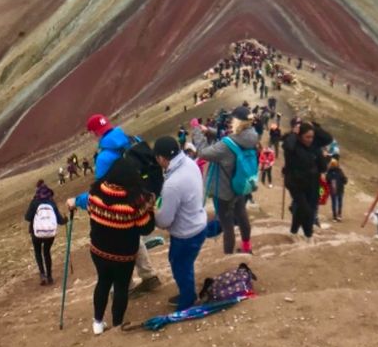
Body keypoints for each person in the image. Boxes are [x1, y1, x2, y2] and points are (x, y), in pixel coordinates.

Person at [67, 158, 156, 333]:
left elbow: (90, 209)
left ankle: (97, 323)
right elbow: (146, 228)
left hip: (98, 251)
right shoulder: (134, 201)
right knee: (121, 287)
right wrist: (150, 210)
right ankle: (117, 324)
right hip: (124, 256)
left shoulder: (95, 193)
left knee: (103, 281)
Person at [75, 114, 161, 293]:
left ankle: (126, 286)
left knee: (116, 243)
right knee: (134, 236)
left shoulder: (104, 157)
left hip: (121, 206)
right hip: (140, 199)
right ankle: (149, 275)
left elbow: (100, 192)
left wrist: (78, 201)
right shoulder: (132, 140)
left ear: (94, 133)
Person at [191, 106, 259, 254]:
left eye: (232, 120)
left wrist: (196, 130)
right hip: (240, 184)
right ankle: (246, 247)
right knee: (242, 215)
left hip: (224, 190)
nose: (229, 122)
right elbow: (231, 137)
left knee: (227, 225)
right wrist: (209, 130)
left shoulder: (226, 145)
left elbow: (203, 153)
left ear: (238, 123)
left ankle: (228, 257)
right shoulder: (251, 136)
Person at [152, 136, 207, 310]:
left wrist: (152, 212)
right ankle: (187, 293)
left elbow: (164, 221)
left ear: (162, 158)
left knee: (180, 266)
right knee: (184, 264)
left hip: (186, 234)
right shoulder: (190, 163)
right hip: (198, 222)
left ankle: (188, 301)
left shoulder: (172, 184)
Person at [283, 120, 333, 239]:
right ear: (300, 136)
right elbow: (287, 146)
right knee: (307, 210)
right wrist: (294, 133)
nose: (310, 139)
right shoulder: (293, 145)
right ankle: (308, 235)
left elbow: (328, 138)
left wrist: (313, 127)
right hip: (295, 183)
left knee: (305, 209)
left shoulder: (314, 144)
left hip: (312, 182)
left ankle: (295, 232)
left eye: (312, 137)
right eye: (307, 137)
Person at [25, 180, 65, 285]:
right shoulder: (52, 202)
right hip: (50, 234)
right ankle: (50, 276)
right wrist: (66, 220)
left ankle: (42, 275)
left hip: (36, 233)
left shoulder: (35, 202)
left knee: (38, 252)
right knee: (46, 252)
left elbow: (27, 217)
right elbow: (60, 220)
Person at [326, 157, 347, 222]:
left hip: (333, 189)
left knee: (334, 203)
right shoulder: (340, 171)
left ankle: (335, 217)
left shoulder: (329, 172)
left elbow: (327, 180)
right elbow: (344, 180)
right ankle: (339, 215)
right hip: (340, 188)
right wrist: (344, 181)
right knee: (339, 202)